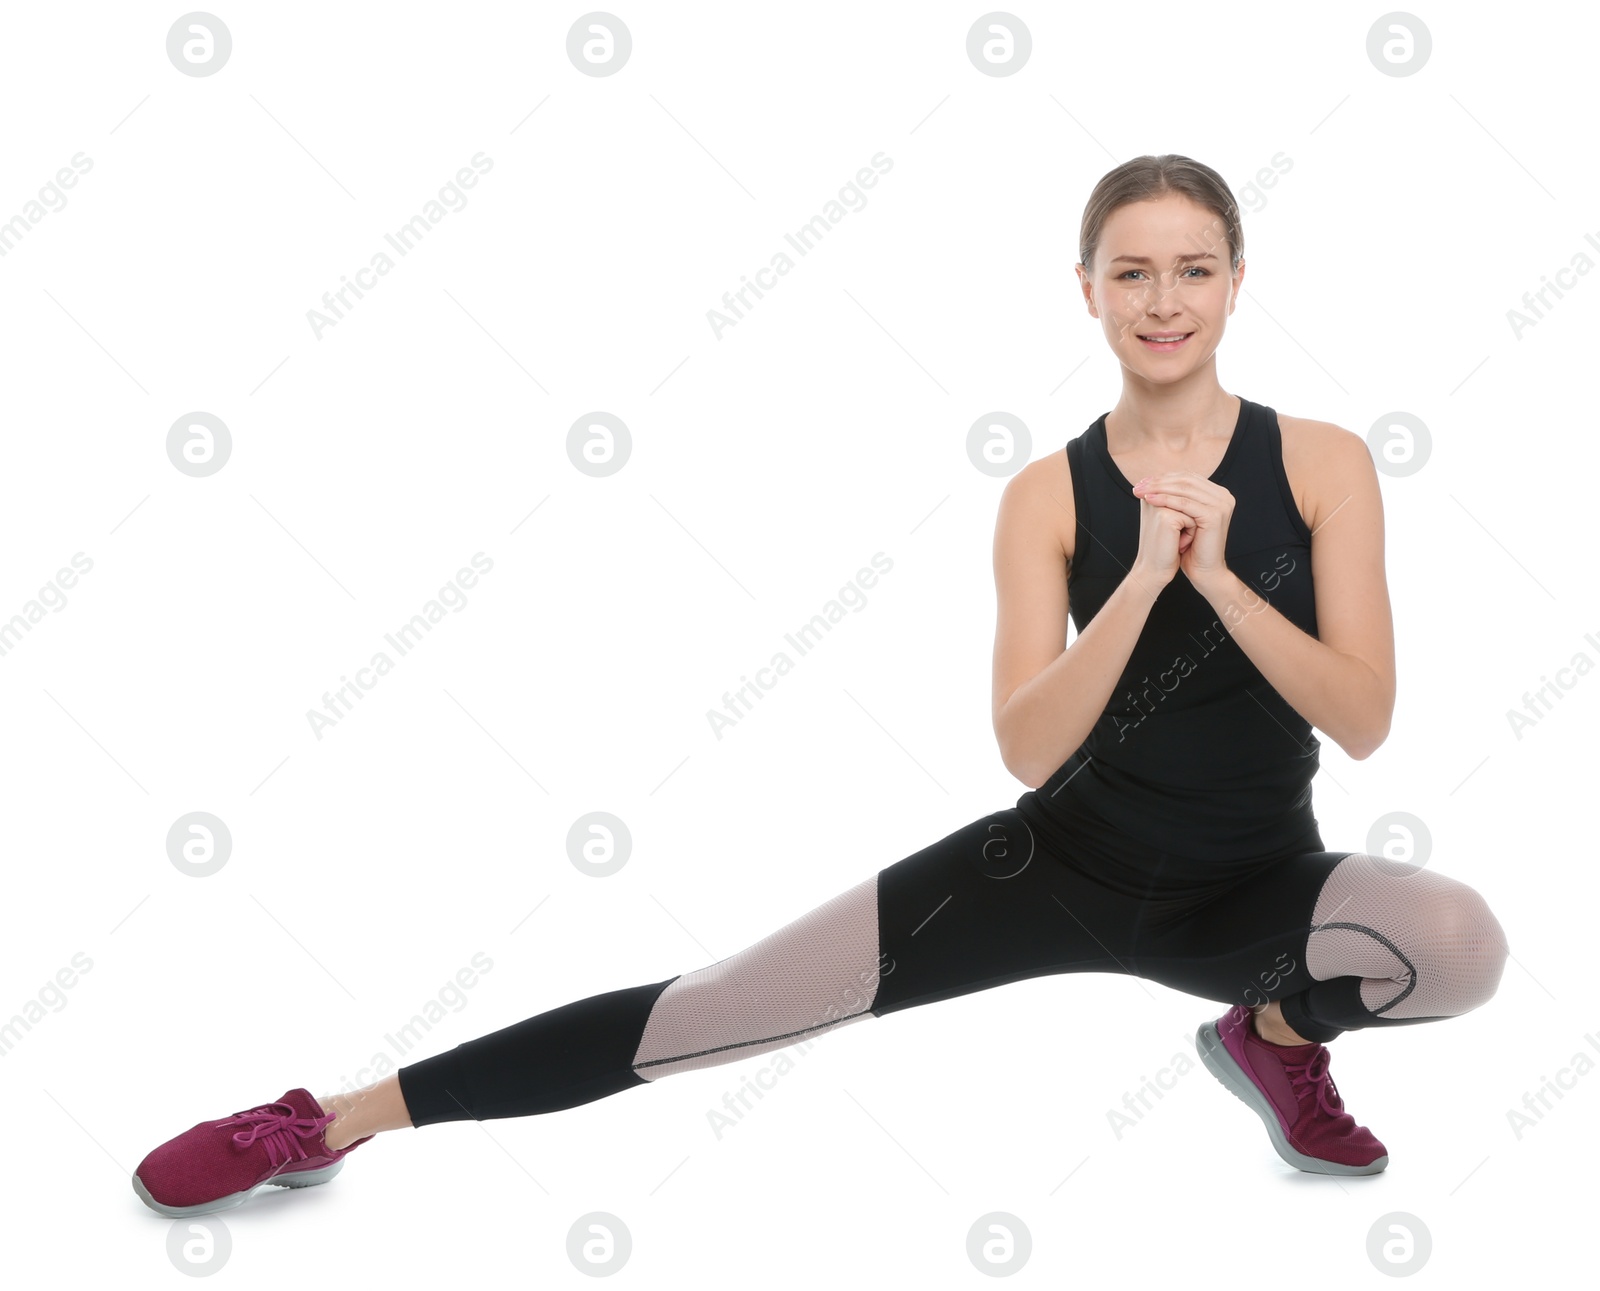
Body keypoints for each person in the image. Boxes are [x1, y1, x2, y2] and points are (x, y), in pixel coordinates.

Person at [133, 154, 1509, 1217]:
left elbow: (1365, 715)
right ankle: (328, 1117)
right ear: (1086, 289)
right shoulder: (1048, 494)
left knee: (1456, 943)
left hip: (1257, 885)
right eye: (1134, 273)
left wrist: (1217, 578)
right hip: (1055, 863)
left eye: (1194, 270)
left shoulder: (1322, 463)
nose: (1165, 302)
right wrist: (1144, 578)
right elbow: (1029, 747)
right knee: (706, 1011)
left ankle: (1270, 1031)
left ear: (1236, 281)